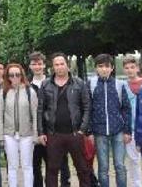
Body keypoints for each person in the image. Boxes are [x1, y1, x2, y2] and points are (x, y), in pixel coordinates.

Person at [37, 52, 92, 187]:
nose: (59, 67)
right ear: (52, 67)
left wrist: (82, 130)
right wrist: (41, 132)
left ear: (67, 66)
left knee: (83, 169)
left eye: (62, 64)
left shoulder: (79, 84)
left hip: (75, 134)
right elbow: (40, 110)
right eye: (56, 64)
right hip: (54, 134)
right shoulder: (45, 85)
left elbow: (87, 107)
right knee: (52, 169)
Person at [28, 52, 70, 187]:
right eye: (34, 64)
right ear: (30, 66)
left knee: (59, 164)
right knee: (35, 165)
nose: (37, 67)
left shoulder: (54, 83)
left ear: (44, 65)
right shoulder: (26, 86)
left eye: (39, 63)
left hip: (54, 130)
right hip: (34, 131)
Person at [89, 54, 131, 187]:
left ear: (112, 68)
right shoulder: (91, 84)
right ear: (96, 68)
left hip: (118, 130)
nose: (104, 69)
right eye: (100, 66)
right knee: (103, 167)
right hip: (99, 132)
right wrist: (89, 131)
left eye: (107, 66)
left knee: (119, 165)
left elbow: (126, 108)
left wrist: (127, 131)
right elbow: (87, 109)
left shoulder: (119, 84)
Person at [0, 64, 38, 187]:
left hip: (27, 134)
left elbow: (35, 115)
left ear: (22, 75)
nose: (14, 77)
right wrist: (0, 136)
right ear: (7, 76)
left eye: (17, 74)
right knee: (12, 166)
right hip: (9, 134)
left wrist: (35, 135)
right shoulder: (3, 92)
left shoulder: (30, 92)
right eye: (11, 75)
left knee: (27, 166)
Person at [122, 56, 142, 187]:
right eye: (126, 68)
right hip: (130, 129)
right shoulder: (122, 86)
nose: (130, 70)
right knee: (134, 160)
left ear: (137, 68)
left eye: (132, 67)